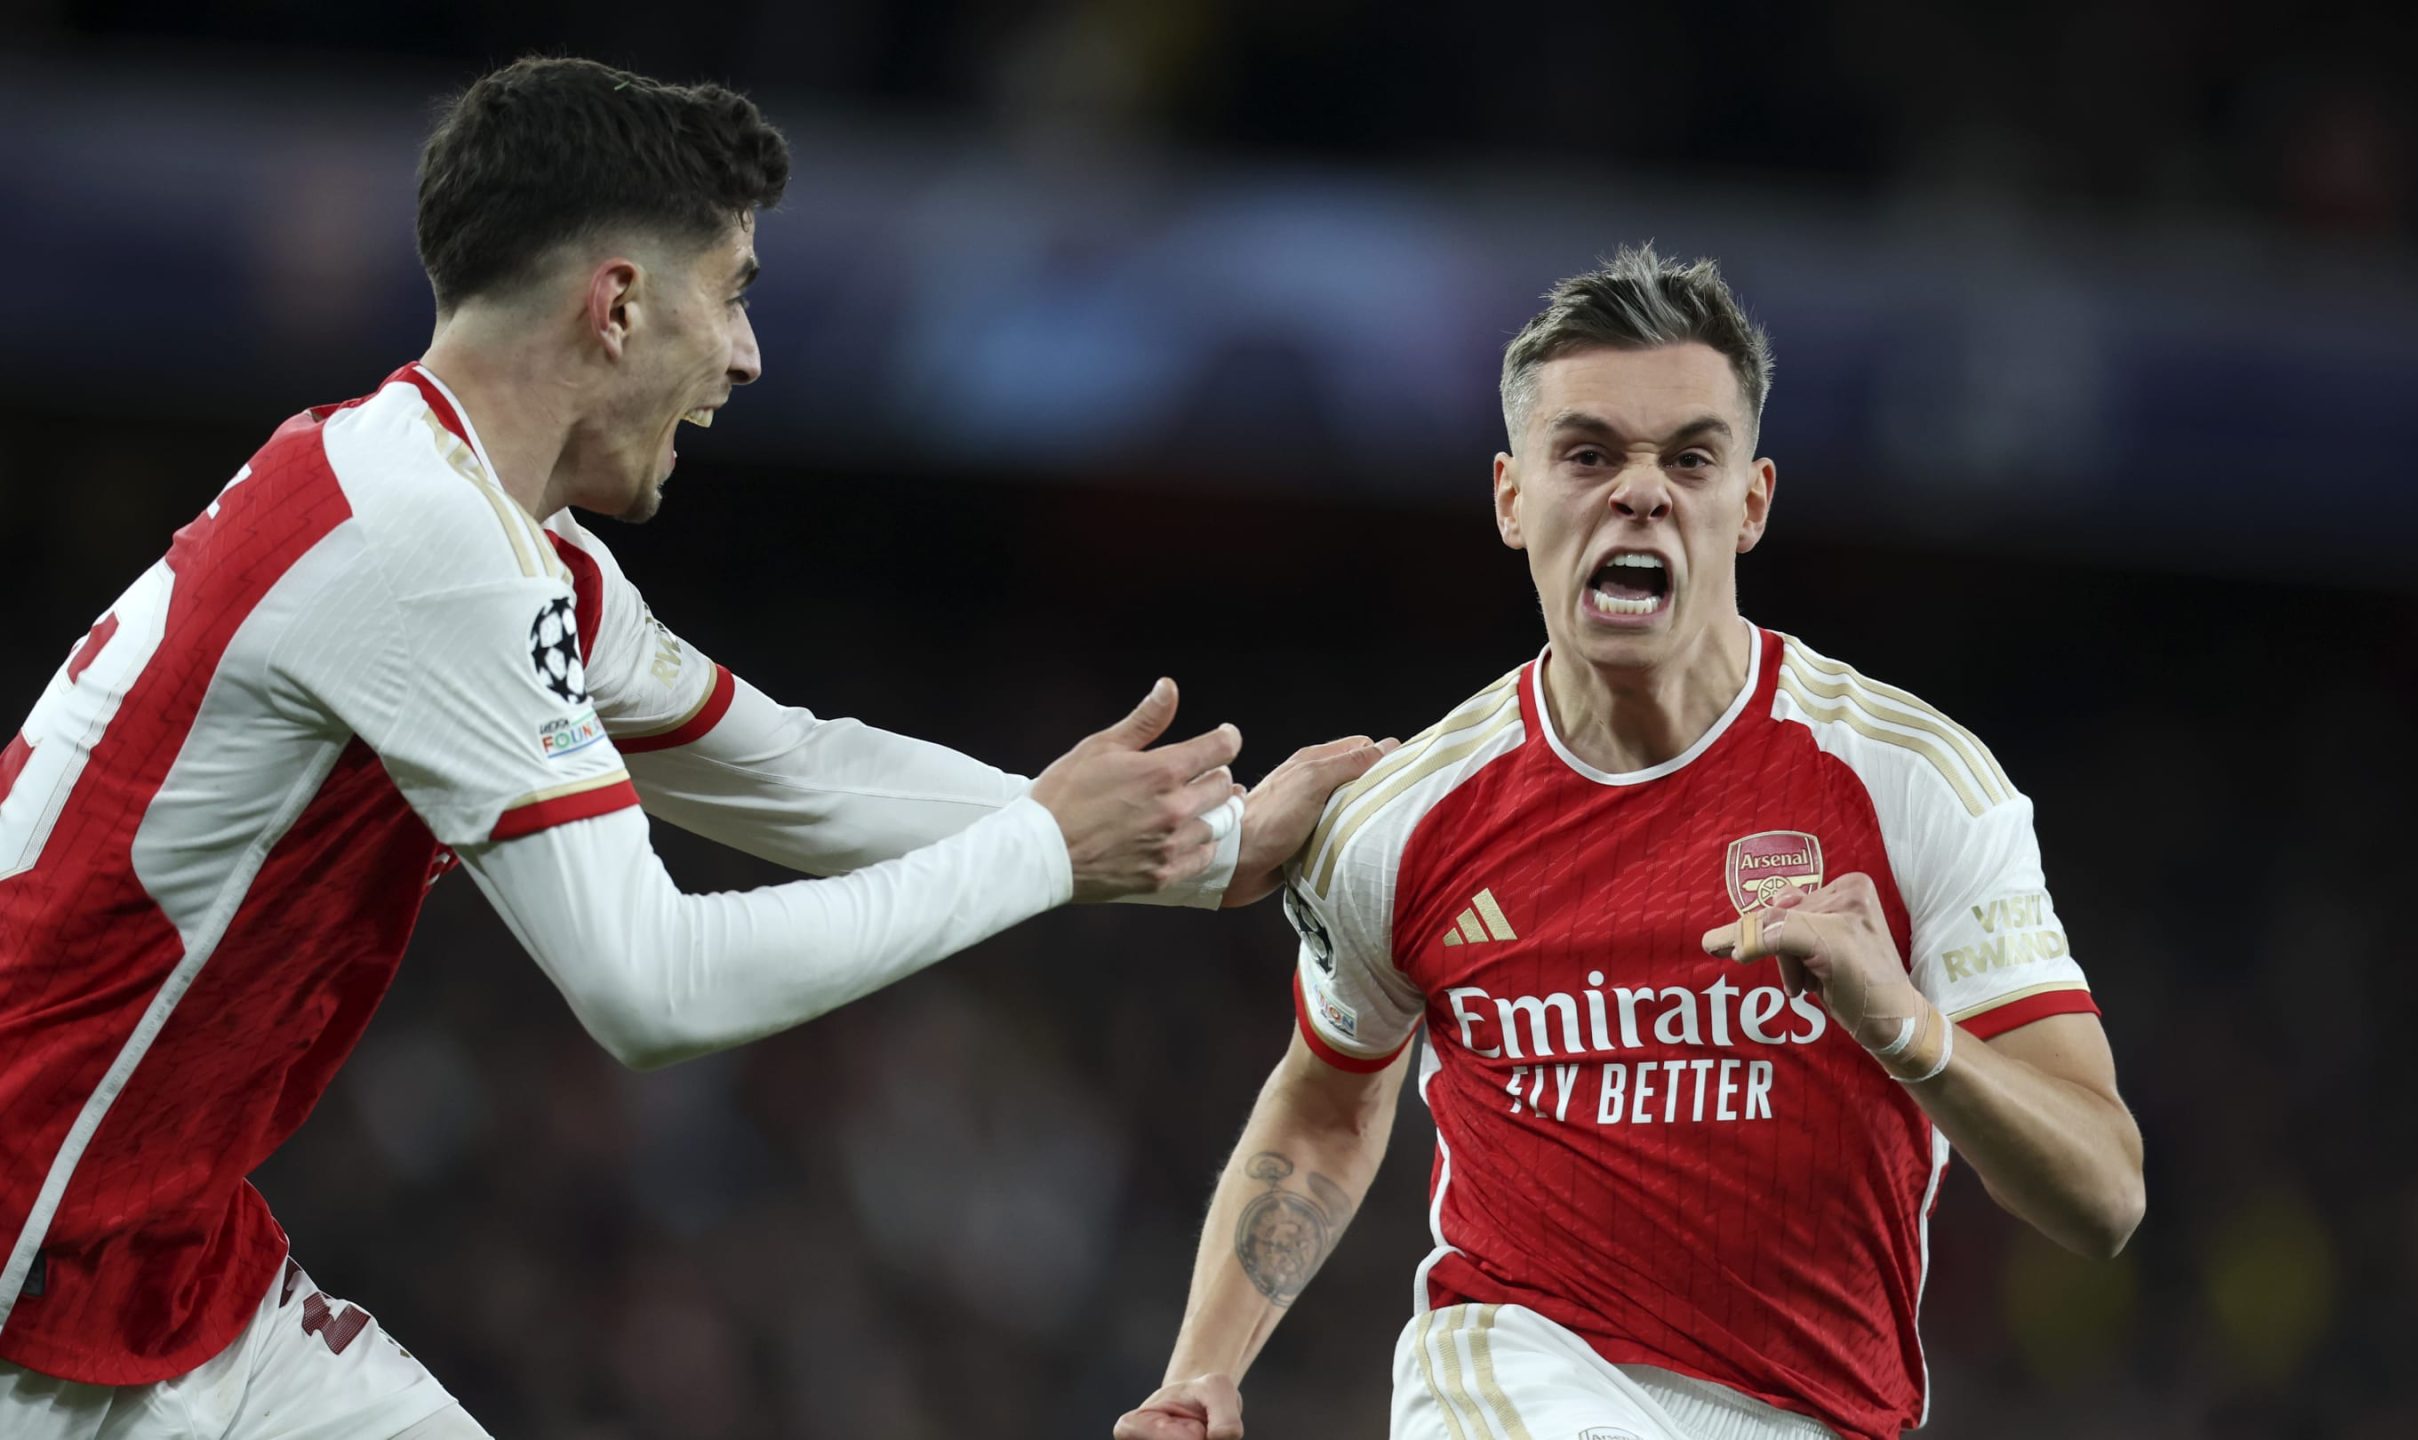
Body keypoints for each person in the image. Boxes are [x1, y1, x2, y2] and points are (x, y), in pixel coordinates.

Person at [0, 57, 1387, 1440]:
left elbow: (794, 771)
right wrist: (1037, 852)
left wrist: (1209, 850)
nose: (746, 355)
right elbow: (650, 988)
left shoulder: (470, 522)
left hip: (155, 1265)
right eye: (730, 294)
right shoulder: (430, 547)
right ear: (616, 305)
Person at [1114, 245, 2144, 1440]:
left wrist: (1905, 1028)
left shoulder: (1913, 785)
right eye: (1589, 454)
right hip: (1514, 1368)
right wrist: (1202, 1367)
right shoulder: (1400, 819)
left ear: (1750, 503)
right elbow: (1327, 1103)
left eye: (1689, 459)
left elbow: (2104, 1197)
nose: (1640, 493)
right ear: (1512, 498)